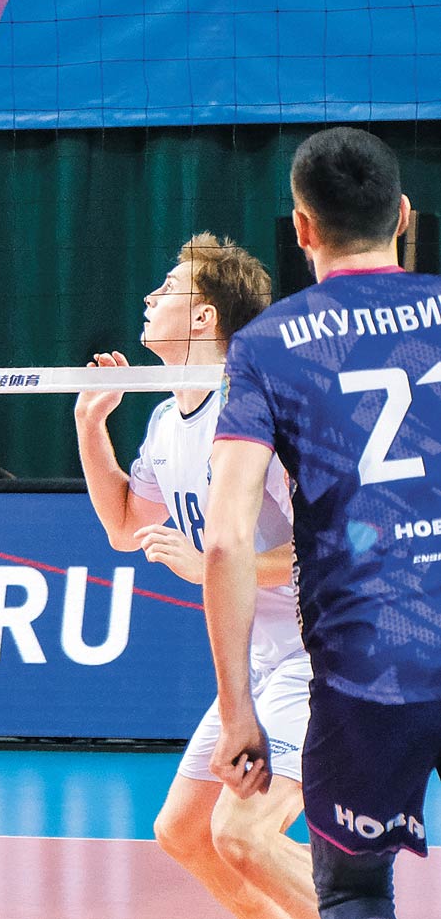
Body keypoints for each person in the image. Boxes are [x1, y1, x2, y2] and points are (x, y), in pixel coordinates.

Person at [206, 128, 441, 919]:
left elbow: (227, 540)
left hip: (366, 664)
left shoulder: (266, 347)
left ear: (302, 228)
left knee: (354, 889)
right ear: (403, 215)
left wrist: (237, 712)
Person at [73, 234, 313, 919]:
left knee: (242, 833)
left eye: (168, 289)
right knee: (183, 832)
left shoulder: (261, 408)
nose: (150, 298)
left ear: (204, 316)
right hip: (258, 659)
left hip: (320, 651)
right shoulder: (163, 421)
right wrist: (91, 426)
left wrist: (215, 564)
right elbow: (126, 528)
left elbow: (336, 548)